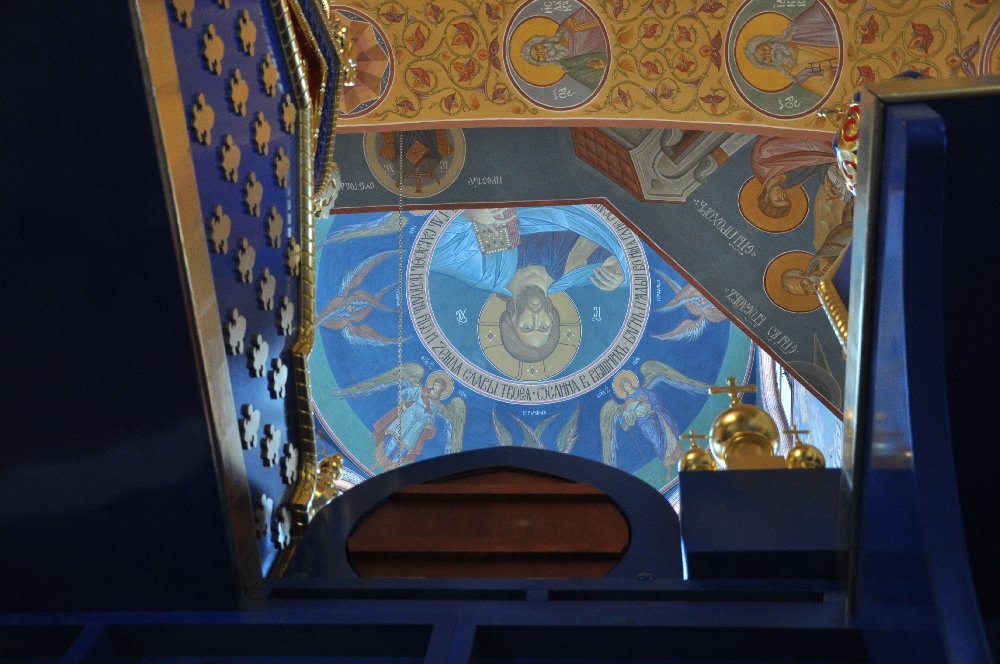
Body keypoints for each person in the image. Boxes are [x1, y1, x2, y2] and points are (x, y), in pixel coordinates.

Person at [430, 206, 628, 364]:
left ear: (512, 318)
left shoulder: (489, 272)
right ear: (551, 317)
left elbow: (437, 252)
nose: (535, 318)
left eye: (527, 327)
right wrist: (622, 270)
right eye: (543, 326)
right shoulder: (573, 274)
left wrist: (468, 213)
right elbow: (621, 256)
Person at [744, 2, 839, 97]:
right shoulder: (801, 75)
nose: (769, 55)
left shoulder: (799, 27)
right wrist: (830, 77)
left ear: (769, 42)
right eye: (764, 59)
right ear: (769, 64)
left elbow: (827, 7)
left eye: (764, 50)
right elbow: (831, 93)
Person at [750, 135, 837, 218]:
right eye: (785, 198)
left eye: (778, 199)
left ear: (766, 198)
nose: (782, 195)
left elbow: (770, 140)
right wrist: (825, 179)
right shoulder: (792, 182)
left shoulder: (762, 164)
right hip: (824, 144)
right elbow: (817, 164)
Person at [521, 7, 607, 90]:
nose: (541, 53)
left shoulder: (567, 27)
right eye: (538, 58)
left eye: (537, 48)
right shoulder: (572, 67)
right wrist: (604, 66)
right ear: (544, 62)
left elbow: (594, 9)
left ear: (542, 41)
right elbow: (600, 83)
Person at [371, 376, 446, 470]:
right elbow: (405, 392)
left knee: (404, 448)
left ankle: (388, 468)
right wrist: (404, 403)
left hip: (418, 425)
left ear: (442, 389)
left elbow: (431, 417)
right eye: (436, 384)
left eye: (439, 385)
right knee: (393, 439)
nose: (436, 386)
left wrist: (429, 424)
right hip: (408, 417)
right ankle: (378, 462)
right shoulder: (422, 391)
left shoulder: (436, 403)